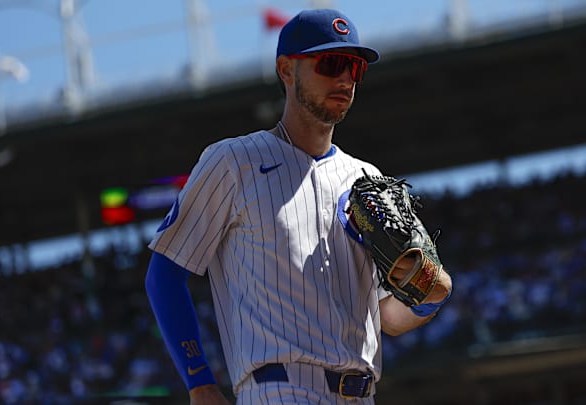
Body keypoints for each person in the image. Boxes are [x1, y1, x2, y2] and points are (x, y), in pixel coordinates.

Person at [145, 8, 452, 405]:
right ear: (287, 70)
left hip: (363, 394)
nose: (345, 79)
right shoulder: (233, 162)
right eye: (332, 63)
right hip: (278, 388)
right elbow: (164, 274)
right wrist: (200, 383)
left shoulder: (367, 179)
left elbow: (387, 318)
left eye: (355, 68)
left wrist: (432, 297)